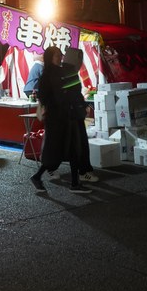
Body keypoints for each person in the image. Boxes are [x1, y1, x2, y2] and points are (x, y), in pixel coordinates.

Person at [29, 46, 92, 194]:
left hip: (68, 117)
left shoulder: (63, 72)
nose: (60, 57)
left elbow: (72, 92)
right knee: (55, 151)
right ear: (49, 57)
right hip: (56, 119)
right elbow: (44, 97)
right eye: (56, 55)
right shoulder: (47, 76)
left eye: (60, 54)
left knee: (73, 149)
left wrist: (79, 105)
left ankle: (75, 183)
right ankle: (37, 176)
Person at [61, 48, 99, 184]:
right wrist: (82, 109)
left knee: (70, 145)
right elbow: (75, 95)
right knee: (80, 144)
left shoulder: (60, 71)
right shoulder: (70, 72)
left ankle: (51, 169)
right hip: (74, 116)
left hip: (66, 115)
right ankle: (83, 172)